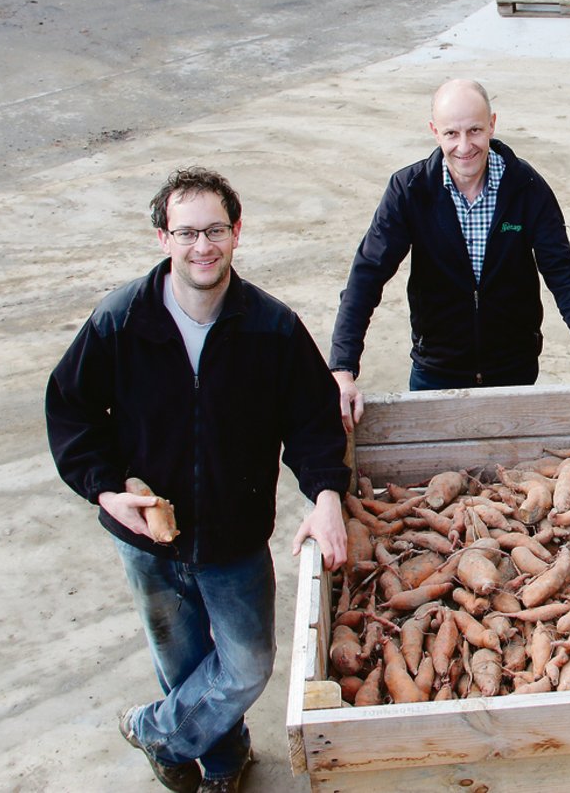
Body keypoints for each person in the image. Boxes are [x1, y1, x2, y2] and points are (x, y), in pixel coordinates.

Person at [45, 168, 350, 793]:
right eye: (186, 232)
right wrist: (105, 489)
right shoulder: (120, 321)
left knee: (245, 667)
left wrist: (325, 496)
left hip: (234, 539)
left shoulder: (271, 327)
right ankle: (218, 763)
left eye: (215, 230)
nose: (202, 246)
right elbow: (70, 410)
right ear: (163, 238)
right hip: (146, 541)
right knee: (182, 668)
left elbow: (315, 420)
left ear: (237, 233)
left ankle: (154, 731)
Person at [329, 78, 570, 427]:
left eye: (475, 130)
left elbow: (566, 279)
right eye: (451, 134)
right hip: (436, 373)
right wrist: (342, 368)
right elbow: (366, 277)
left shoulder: (527, 189)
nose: (464, 146)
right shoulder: (410, 191)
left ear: (492, 124)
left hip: (513, 372)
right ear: (434, 132)